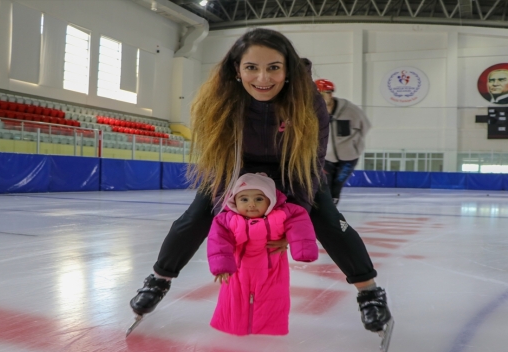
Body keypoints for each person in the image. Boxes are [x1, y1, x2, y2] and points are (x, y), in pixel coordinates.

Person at [129, 28, 391, 333]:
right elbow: (218, 162)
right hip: (234, 166)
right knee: (196, 216)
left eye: (274, 68)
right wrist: (226, 212)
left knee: (330, 220)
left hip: (293, 167)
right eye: (252, 67)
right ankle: (159, 280)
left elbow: (310, 164)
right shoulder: (220, 100)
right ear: (237, 70)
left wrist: (295, 218)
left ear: (288, 70)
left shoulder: (310, 104)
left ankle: (369, 291)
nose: (263, 78)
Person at [208, 173, 318, 335]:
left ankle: (268, 328)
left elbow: (299, 221)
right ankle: (236, 327)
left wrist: (301, 248)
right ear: (234, 201)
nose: (251, 204)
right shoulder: (228, 220)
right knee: (235, 300)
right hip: (239, 271)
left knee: (273, 300)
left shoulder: (282, 214)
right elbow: (218, 239)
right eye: (244, 199)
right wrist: (221, 265)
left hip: (272, 271)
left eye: (259, 199)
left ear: (271, 200)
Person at [315, 79, 372, 206]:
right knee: (325, 184)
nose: (323, 97)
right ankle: (326, 210)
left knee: (338, 183)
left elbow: (365, 126)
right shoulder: (314, 112)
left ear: (331, 94)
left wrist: (353, 144)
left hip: (349, 157)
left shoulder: (349, 109)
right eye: (318, 95)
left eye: (326, 93)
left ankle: (333, 210)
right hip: (327, 156)